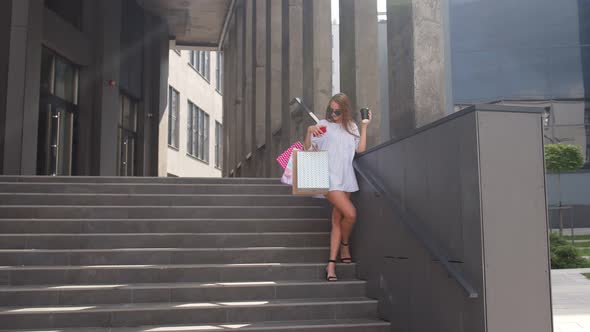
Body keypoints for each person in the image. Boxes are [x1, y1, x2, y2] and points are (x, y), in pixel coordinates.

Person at [304, 93, 371, 281]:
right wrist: (309, 131)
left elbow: (361, 149)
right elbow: (308, 149)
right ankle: (345, 244)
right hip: (328, 178)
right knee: (351, 214)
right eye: (331, 110)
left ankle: (331, 265)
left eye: (337, 111)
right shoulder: (323, 125)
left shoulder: (351, 127)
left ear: (345, 110)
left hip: (347, 178)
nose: (333, 114)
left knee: (337, 219)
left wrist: (364, 126)